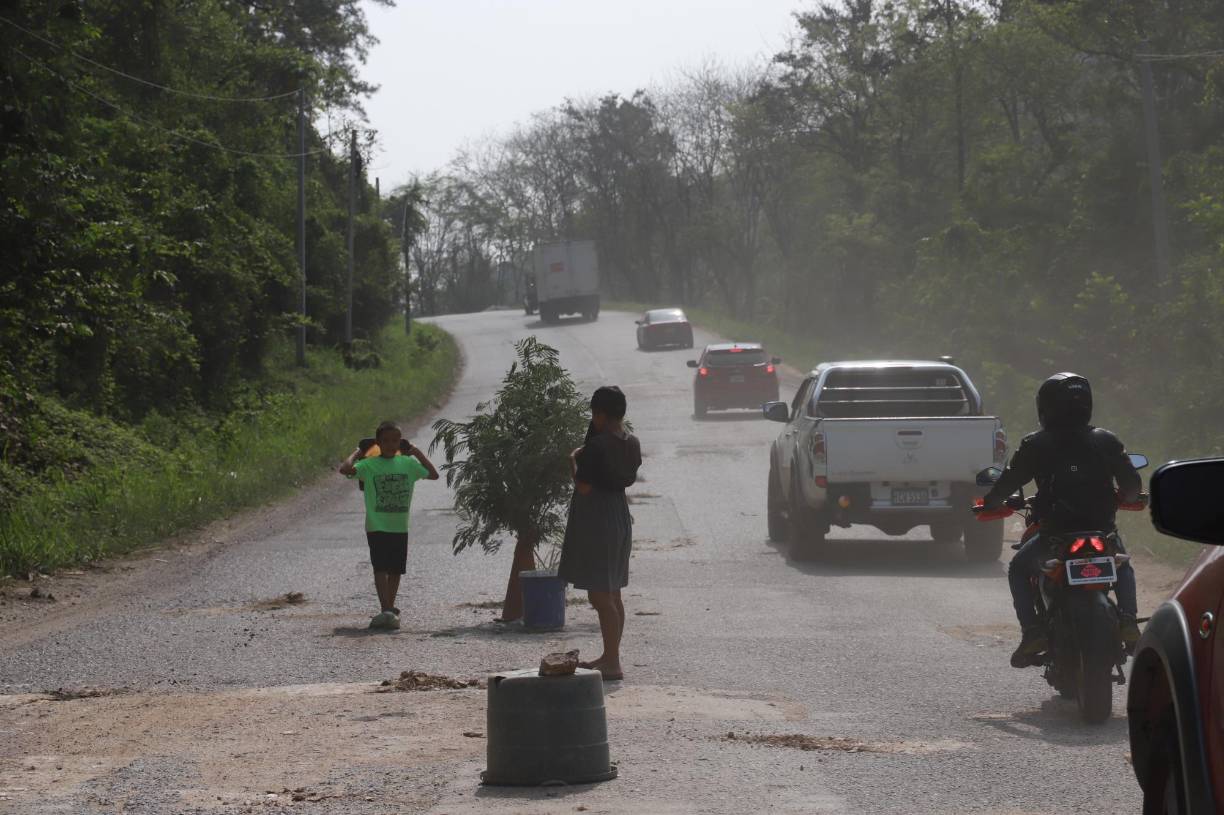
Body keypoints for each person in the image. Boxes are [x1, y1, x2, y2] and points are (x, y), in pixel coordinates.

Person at [981, 373, 1142, 668]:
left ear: (1045, 407)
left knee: (1018, 569)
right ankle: (1129, 621)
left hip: (1054, 536)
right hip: (1101, 533)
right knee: (1123, 564)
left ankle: (1032, 633)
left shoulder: (1035, 443)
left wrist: (989, 504)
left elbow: (1008, 482)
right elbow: (1132, 487)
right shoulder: (1106, 440)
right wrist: (1130, 498)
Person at [558, 386, 642, 681]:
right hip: (619, 514)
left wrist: (572, 461)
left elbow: (583, 487)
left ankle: (613, 661)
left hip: (598, 519)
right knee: (613, 591)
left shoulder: (596, 447)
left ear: (600, 414)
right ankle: (609, 656)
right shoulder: (632, 443)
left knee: (599, 594)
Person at [339, 420, 439, 630]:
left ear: (401, 442)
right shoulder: (368, 465)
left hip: (399, 526)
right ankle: (385, 608)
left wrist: (415, 452)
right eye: (386, 441)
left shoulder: (408, 464)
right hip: (376, 525)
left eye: (396, 440)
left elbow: (433, 474)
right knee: (380, 567)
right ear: (378, 443)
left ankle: (389, 609)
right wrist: (359, 450)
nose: (391, 444)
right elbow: (345, 469)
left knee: (396, 570)